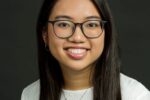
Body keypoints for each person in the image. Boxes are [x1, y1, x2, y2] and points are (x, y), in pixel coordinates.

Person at [21, 0, 150, 100]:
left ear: (106, 33)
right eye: (64, 24)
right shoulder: (30, 94)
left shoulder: (135, 95)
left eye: (91, 24)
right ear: (45, 35)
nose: (77, 38)